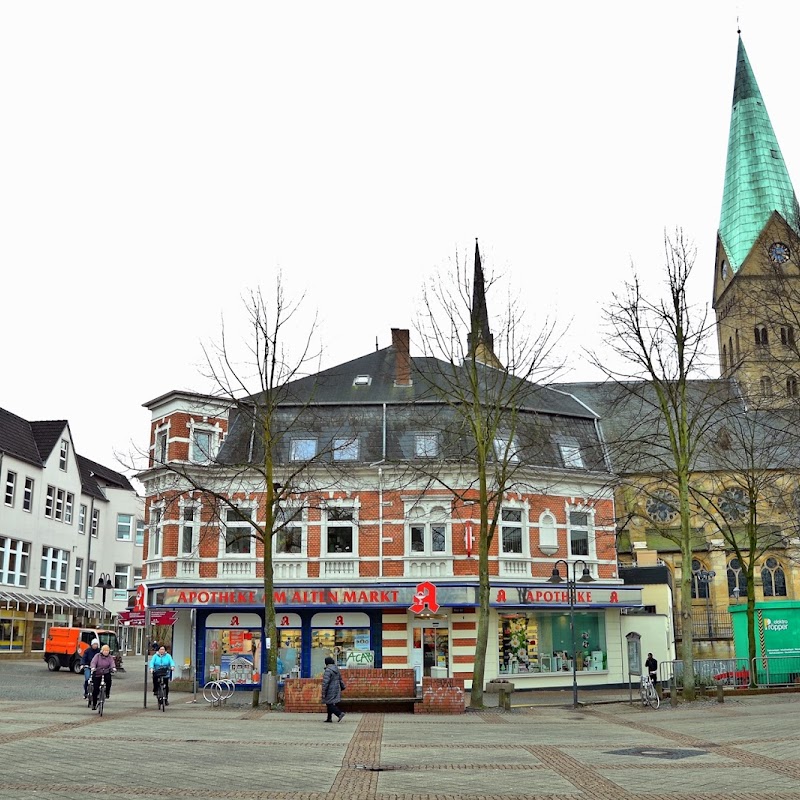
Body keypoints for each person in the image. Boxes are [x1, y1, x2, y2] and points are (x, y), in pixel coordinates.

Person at [90, 644, 116, 709]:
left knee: (109, 680)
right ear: (102, 651)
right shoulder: (97, 656)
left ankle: (107, 692)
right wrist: (93, 667)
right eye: (105, 650)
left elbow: (112, 663)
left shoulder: (110, 657)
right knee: (95, 688)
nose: (106, 652)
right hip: (98, 672)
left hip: (106, 672)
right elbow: (93, 662)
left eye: (107, 651)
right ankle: (94, 704)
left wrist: (113, 668)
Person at [321, 655, 346, 723]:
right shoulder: (336, 669)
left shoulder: (328, 670)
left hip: (330, 689)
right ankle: (329, 718)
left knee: (329, 703)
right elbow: (340, 679)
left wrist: (323, 691)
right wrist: (342, 686)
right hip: (336, 688)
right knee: (330, 702)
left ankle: (339, 713)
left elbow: (325, 682)